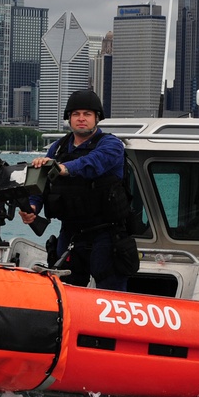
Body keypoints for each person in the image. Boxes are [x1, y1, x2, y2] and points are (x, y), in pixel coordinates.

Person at [19, 90, 132, 291]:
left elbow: (93, 163)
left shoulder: (112, 144)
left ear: (96, 118)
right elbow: (42, 184)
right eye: (76, 114)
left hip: (106, 233)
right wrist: (33, 207)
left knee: (111, 289)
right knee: (64, 289)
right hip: (70, 233)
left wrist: (64, 168)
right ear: (69, 118)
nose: (81, 119)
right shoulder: (57, 148)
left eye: (87, 114)